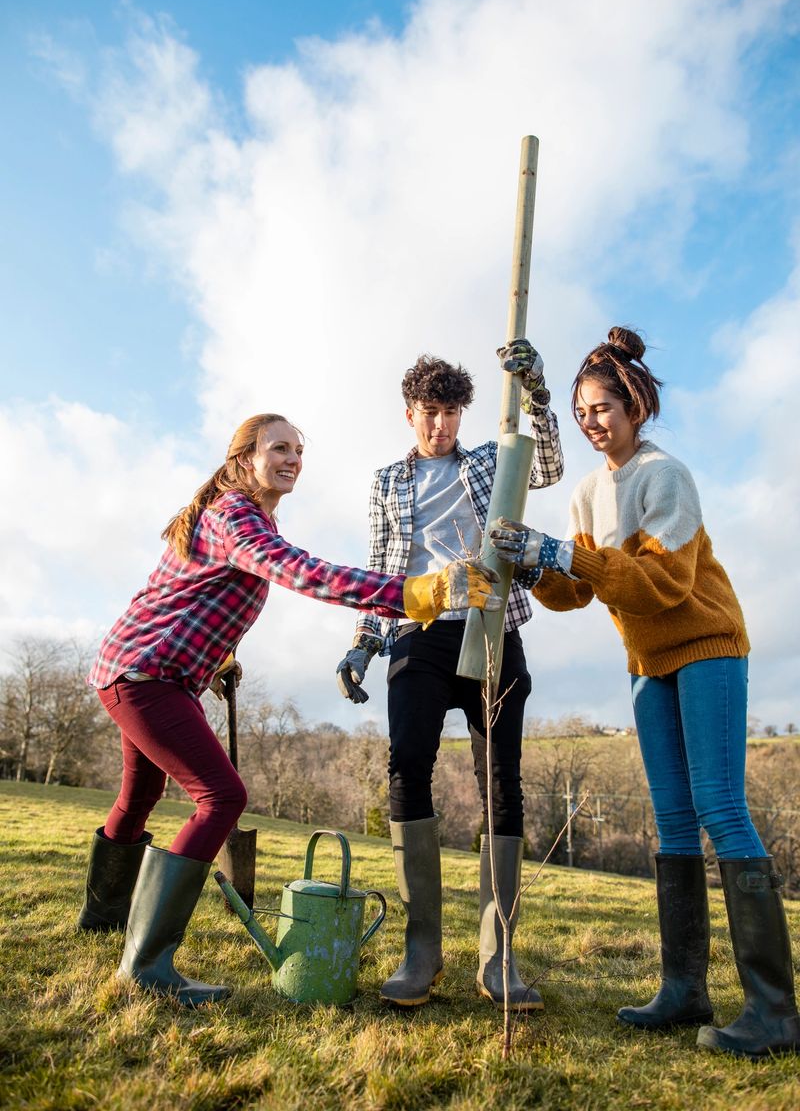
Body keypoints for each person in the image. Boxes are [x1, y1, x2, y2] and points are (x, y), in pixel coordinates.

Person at [78, 412, 500, 1007]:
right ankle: (147, 964)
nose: (293, 459)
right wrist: (414, 592)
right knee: (221, 797)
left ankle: (101, 920)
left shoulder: (237, 516)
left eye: (300, 451)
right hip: (147, 676)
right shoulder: (234, 514)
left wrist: (220, 657)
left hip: (141, 669)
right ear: (242, 459)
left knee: (138, 798)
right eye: (280, 448)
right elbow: (302, 573)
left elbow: (189, 593)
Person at [489, 327, 799, 1058]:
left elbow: (663, 585)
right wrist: (536, 563)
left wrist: (564, 555)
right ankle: (684, 989)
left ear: (635, 405)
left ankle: (776, 1011)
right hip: (645, 661)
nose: (593, 421)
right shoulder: (588, 492)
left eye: (604, 407)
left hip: (706, 646)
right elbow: (575, 592)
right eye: (583, 411)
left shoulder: (666, 476)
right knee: (670, 820)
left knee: (719, 805)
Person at [336, 343, 564, 1009]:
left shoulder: (491, 461)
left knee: (501, 777)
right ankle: (421, 951)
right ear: (410, 413)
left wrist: (537, 393)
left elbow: (546, 464)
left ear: (464, 413)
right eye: (430, 413)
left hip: (492, 625)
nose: (441, 425)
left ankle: (499, 957)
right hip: (419, 630)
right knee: (407, 760)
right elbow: (382, 571)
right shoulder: (388, 482)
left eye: (452, 413)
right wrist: (363, 645)